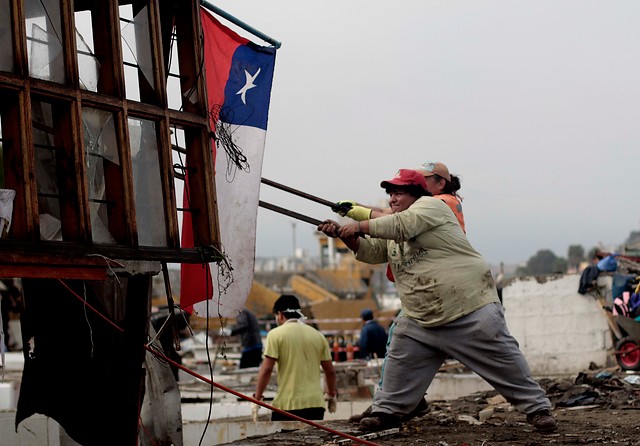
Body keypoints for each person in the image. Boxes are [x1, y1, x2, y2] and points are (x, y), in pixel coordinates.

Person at [318, 169, 557, 433]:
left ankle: (538, 409)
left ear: (416, 194)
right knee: (399, 362)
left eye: (398, 192)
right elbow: (374, 252)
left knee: (506, 364)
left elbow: (399, 226)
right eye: (390, 194)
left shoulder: (431, 207)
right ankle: (388, 411)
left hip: (468, 308)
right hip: (421, 318)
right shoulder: (395, 228)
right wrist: (349, 238)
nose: (392, 198)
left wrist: (359, 223)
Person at [254, 294, 337, 421]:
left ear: (280, 314)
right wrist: (331, 395)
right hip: (315, 405)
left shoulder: (275, 335)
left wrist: (257, 398)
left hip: (287, 405)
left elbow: (266, 370)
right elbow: (330, 372)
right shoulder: (318, 336)